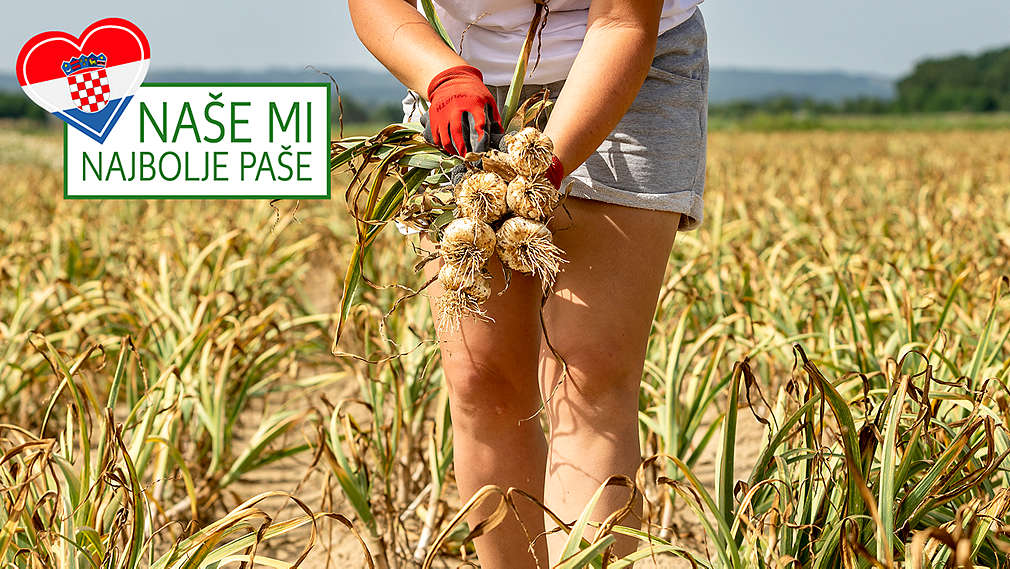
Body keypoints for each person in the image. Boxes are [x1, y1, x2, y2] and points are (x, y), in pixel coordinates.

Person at [347, 1, 708, 566]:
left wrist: (541, 172)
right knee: (481, 380)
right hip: (460, 74)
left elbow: (621, 22)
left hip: (621, 65)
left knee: (588, 373)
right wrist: (443, 77)